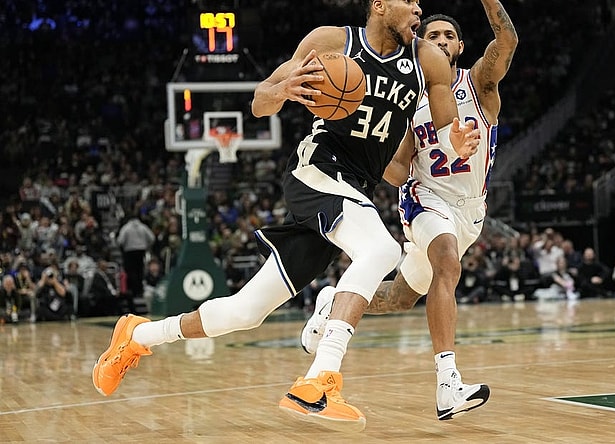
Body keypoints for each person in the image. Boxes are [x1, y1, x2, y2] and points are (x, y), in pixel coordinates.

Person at [92, 0, 480, 433]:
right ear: (379, 5)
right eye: (407, 0)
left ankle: (138, 336)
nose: (417, 8)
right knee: (381, 249)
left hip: (356, 189)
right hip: (319, 169)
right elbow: (260, 101)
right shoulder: (334, 42)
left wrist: (456, 140)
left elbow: (446, 122)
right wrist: (283, 90)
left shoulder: (426, 59)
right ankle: (319, 381)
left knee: (245, 311)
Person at [301, 0, 518, 421]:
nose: (438, 41)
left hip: (469, 211)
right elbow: (399, 171)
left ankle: (329, 304)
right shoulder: (410, 101)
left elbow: (506, 39)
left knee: (400, 298)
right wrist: (358, 143)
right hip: (424, 201)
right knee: (447, 265)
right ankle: (447, 384)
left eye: (447, 36)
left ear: (459, 46)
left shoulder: (480, 84)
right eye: (431, 35)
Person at [116, 215, 155, 314]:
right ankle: (139, 291)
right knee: (139, 271)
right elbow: (152, 238)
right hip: (141, 251)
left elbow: (120, 240)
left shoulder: (126, 228)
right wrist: (146, 245)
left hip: (129, 252)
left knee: (130, 272)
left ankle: (132, 291)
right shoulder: (143, 227)